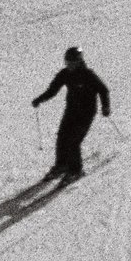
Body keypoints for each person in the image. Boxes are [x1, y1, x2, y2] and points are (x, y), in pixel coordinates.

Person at [32, 48, 110, 183]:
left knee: (73, 141)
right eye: (67, 62)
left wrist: (105, 106)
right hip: (71, 111)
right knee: (62, 137)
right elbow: (52, 90)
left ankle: (76, 171)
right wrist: (40, 99)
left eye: (72, 62)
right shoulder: (65, 74)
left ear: (79, 62)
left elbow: (103, 90)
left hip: (86, 113)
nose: (69, 65)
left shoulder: (88, 75)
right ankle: (61, 165)